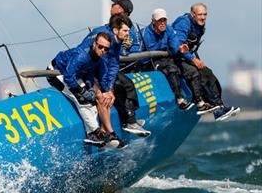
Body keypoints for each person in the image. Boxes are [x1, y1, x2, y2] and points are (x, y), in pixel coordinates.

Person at [78, 13, 149, 141]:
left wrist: (109, 88)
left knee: (125, 84)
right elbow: (102, 67)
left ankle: (129, 121)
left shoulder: (118, 39)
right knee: (104, 95)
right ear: (116, 30)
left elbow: (114, 64)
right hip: (85, 71)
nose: (128, 34)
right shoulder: (107, 40)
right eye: (126, 31)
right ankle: (109, 132)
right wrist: (107, 90)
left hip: (97, 68)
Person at [170, 3, 240, 121]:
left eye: (205, 14)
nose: (203, 17)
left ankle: (220, 108)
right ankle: (213, 108)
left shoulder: (200, 25)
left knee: (208, 74)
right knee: (198, 74)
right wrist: (192, 59)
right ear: (193, 15)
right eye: (200, 14)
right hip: (174, 58)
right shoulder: (183, 23)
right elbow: (178, 46)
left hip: (186, 57)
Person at [51, 32, 119, 147]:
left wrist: (96, 89)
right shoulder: (81, 56)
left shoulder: (99, 59)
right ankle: (96, 132)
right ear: (94, 44)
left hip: (74, 76)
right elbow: (68, 76)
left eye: (106, 49)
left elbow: (94, 76)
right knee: (83, 100)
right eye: (100, 46)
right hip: (57, 73)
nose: (103, 50)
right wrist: (81, 91)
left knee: (93, 101)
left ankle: (91, 135)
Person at [139, 8, 190, 109]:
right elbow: (139, 54)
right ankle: (180, 99)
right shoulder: (144, 33)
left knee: (181, 68)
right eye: (159, 21)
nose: (162, 23)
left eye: (164, 20)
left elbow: (175, 45)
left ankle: (198, 100)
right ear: (153, 21)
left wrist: (180, 49)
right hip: (149, 62)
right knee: (171, 68)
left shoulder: (169, 30)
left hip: (164, 59)